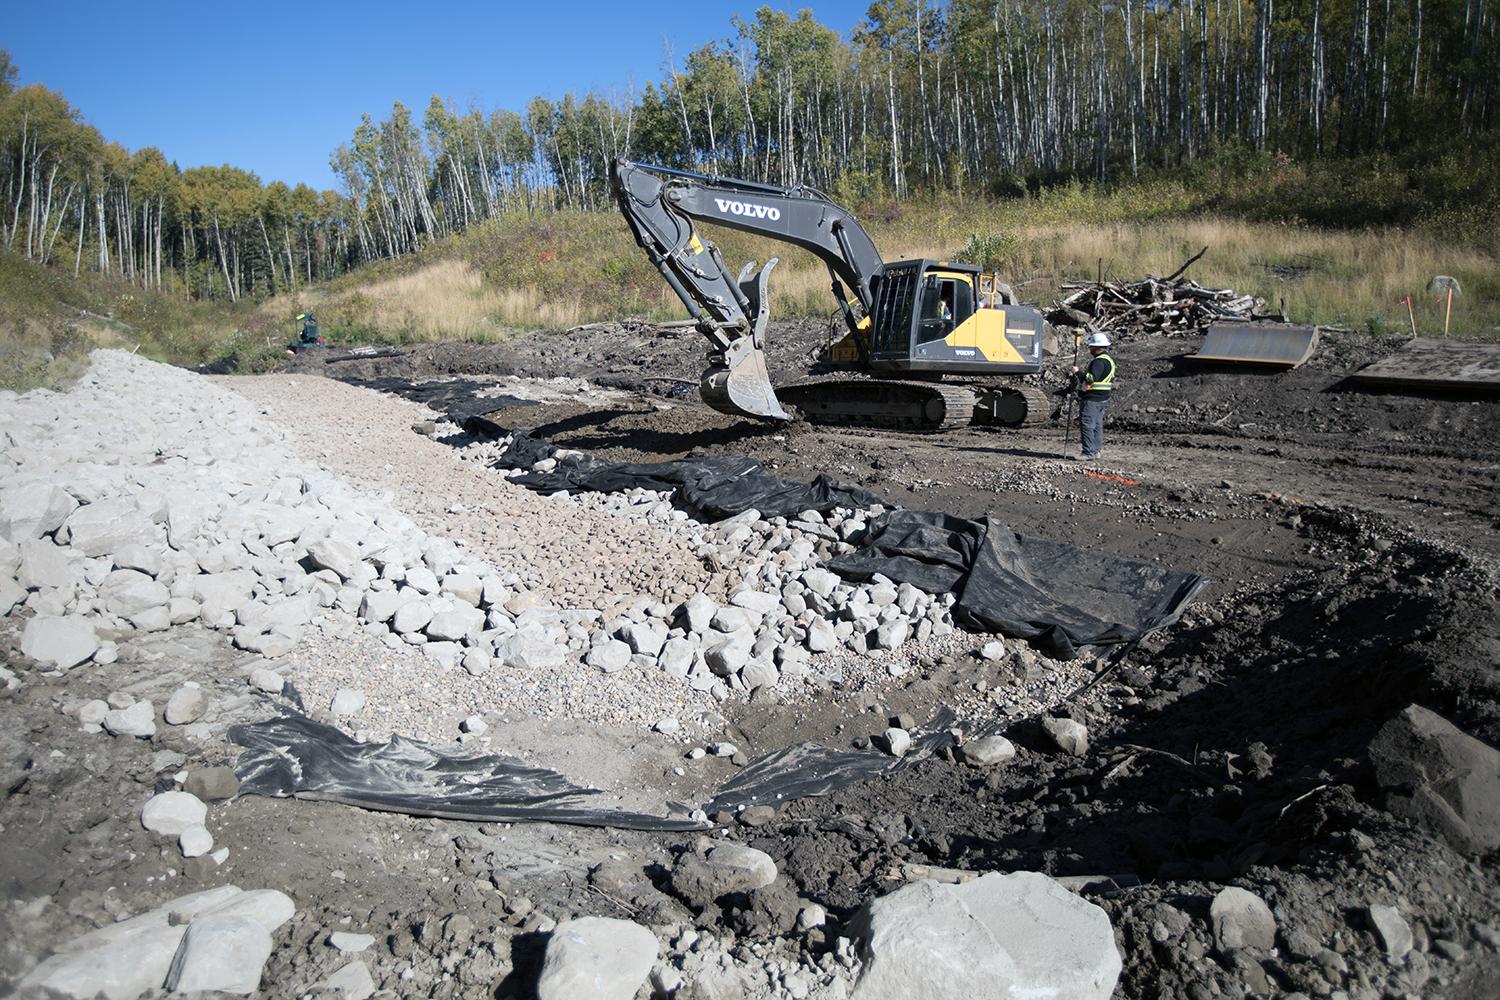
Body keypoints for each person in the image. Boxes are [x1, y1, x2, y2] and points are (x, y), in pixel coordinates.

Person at [1070, 331, 1116, 459]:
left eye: (1091, 347)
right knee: (1096, 425)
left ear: (1096, 347)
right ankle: (1095, 451)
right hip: (1102, 397)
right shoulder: (1109, 360)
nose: (1090, 349)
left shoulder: (1099, 361)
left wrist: (1078, 372)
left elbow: (1091, 378)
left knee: (1087, 423)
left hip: (1093, 398)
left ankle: (1088, 452)